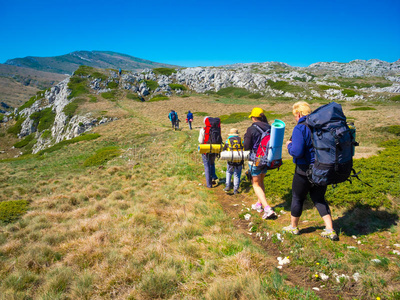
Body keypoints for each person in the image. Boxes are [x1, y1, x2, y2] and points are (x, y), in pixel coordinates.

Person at [283, 101, 338, 240]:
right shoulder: (320, 125)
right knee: (319, 198)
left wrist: (289, 146)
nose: (295, 118)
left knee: (297, 197)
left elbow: (297, 152)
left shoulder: (300, 128)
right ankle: (330, 229)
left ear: (299, 114)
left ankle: (293, 227)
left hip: (303, 170)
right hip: (322, 168)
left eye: (295, 116)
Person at [244, 108, 277, 219]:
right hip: (267, 159)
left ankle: (267, 209)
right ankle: (259, 204)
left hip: (256, 160)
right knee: (261, 181)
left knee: (256, 184)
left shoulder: (251, 129)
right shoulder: (270, 127)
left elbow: (247, 147)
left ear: (253, 117)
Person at [198, 117, 219, 188]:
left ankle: (209, 184)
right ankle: (213, 177)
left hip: (206, 150)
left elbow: (200, 141)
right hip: (215, 149)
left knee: (207, 166)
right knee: (212, 163)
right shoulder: (217, 129)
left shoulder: (203, 130)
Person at [223, 128, 243, 195]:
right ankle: (235, 190)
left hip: (230, 159)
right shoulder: (241, 140)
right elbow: (244, 148)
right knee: (237, 174)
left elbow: (224, 148)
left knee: (229, 172)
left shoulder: (228, 140)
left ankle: (227, 186)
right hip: (239, 159)